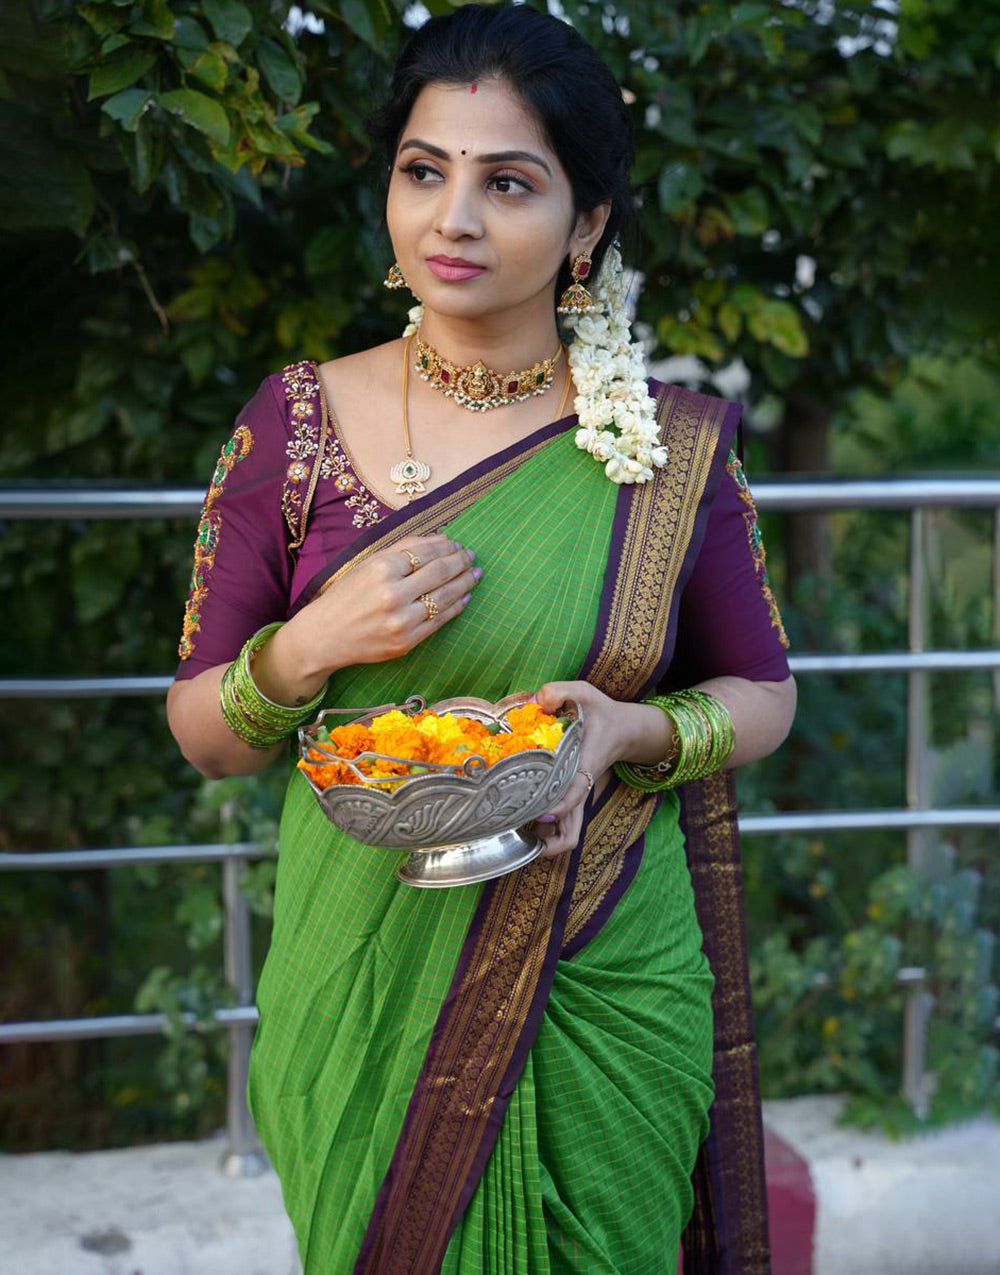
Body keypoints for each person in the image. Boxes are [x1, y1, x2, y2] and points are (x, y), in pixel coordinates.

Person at [167, 5, 796, 1271]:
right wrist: (310, 647)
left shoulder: (668, 449)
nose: (452, 218)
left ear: (588, 225)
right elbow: (203, 737)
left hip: (604, 969)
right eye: (422, 171)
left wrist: (626, 730)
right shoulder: (294, 426)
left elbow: (767, 695)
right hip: (363, 981)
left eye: (507, 182)